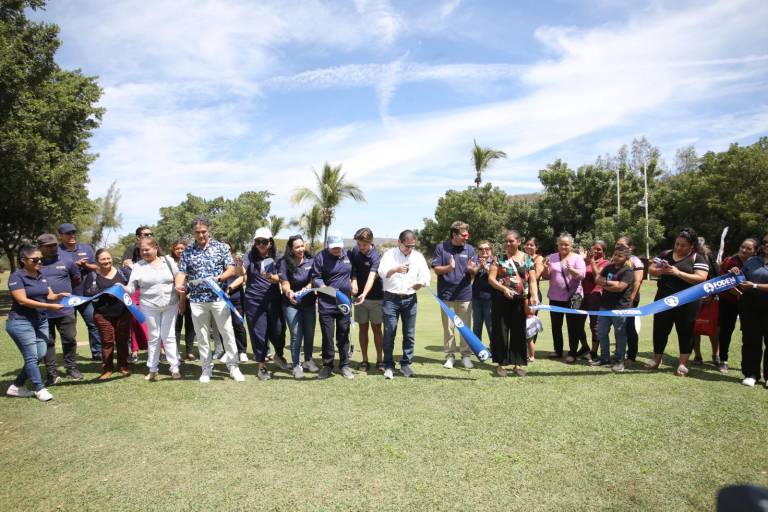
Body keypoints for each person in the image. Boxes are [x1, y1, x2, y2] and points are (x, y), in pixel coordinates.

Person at [175, 216, 245, 383]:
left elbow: (231, 268)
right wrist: (179, 285)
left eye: (204, 231)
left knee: (227, 332)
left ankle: (233, 366)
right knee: (202, 336)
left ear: (209, 230)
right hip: (197, 300)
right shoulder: (188, 251)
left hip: (218, 298)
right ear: (193, 232)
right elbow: (182, 273)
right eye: (197, 232)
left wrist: (219, 279)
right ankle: (206, 368)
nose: (201, 235)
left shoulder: (220, 247)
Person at [5, 245, 69, 401]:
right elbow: (22, 301)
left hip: (40, 321)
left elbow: (50, 295)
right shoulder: (16, 276)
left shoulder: (41, 275)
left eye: (41, 259)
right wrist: (50, 307)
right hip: (21, 322)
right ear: (23, 260)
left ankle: (17, 386)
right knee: (31, 356)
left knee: (40, 354)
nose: (39, 261)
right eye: (35, 259)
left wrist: (59, 295)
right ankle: (39, 388)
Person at [646, 228, 709, 376]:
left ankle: (683, 364)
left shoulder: (698, 258)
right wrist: (660, 271)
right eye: (677, 244)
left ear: (692, 246)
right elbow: (651, 269)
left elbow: (701, 278)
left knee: (685, 331)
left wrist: (677, 272)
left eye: (683, 245)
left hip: (687, 301)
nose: (679, 247)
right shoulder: (666, 254)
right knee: (660, 329)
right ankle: (656, 359)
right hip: (663, 298)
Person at [124, 237, 182, 381]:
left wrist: (180, 288)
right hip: (149, 306)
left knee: (168, 336)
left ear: (156, 248)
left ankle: (174, 368)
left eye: (147, 249)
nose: (144, 252)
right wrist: (122, 288)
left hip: (171, 304)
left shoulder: (168, 261)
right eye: (142, 250)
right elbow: (131, 288)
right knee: (154, 337)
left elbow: (179, 275)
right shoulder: (138, 267)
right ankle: (153, 369)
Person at [378, 230, 431, 379]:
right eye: (407, 246)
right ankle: (388, 365)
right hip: (390, 299)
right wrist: (395, 269)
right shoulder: (389, 254)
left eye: (412, 246)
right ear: (399, 242)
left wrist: (421, 283)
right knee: (389, 332)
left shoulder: (418, 257)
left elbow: (426, 275)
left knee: (409, 333)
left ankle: (406, 364)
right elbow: (382, 272)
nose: (410, 249)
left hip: (410, 299)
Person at [487, 230, 539, 377]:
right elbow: (491, 279)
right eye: (506, 241)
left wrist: (534, 295)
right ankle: (501, 364)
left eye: (511, 241)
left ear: (519, 242)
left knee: (519, 331)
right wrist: (503, 289)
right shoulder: (499, 258)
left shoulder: (528, 259)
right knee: (501, 331)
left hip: (521, 300)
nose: (508, 244)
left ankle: (518, 364)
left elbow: (533, 280)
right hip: (501, 299)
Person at [38, 233, 83, 384]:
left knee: (70, 339)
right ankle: (51, 373)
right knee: (48, 342)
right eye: (49, 246)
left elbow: (76, 280)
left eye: (54, 245)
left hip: (65, 309)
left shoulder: (68, 261)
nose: (53, 248)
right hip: (43, 310)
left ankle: (71, 368)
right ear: (40, 247)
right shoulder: (35, 264)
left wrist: (67, 299)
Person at [432, 221, 478, 369]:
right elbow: (437, 270)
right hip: (446, 295)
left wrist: (472, 270)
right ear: (454, 234)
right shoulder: (441, 248)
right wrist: (449, 267)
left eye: (467, 234)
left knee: (464, 327)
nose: (466, 237)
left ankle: (466, 356)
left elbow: (475, 271)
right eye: (464, 235)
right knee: (449, 328)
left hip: (465, 294)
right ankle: (450, 356)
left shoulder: (470, 249)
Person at [240, 227, 284, 381]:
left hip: (273, 299)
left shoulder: (277, 256)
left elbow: (283, 278)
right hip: (253, 301)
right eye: (258, 241)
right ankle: (262, 366)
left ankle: (279, 355)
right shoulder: (249, 255)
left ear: (270, 242)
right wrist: (239, 267)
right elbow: (242, 271)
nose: (261, 245)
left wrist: (272, 277)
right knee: (259, 334)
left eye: (264, 241)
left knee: (278, 331)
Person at [83, 248, 132, 380]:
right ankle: (107, 369)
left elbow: (132, 288)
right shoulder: (93, 275)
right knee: (107, 341)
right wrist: (106, 290)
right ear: (97, 262)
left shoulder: (122, 272)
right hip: (102, 314)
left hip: (123, 312)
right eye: (103, 259)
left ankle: (123, 366)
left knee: (122, 340)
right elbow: (87, 293)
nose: (106, 261)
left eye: (108, 258)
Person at [312, 232, 355, 379]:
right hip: (326, 304)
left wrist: (354, 283)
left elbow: (353, 273)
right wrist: (325, 287)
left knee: (343, 335)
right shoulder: (320, 257)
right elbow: (316, 277)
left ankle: (344, 365)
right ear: (328, 246)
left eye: (339, 247)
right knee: (328, 337)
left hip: (344, 304)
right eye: (334, 248)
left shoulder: (348, 255)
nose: (337, 250)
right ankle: (327, 366)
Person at [57, 223, 101, 360]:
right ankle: (70, 358)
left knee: (93, 324)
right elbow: (52, 269)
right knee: (68, 330)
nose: (72, 236)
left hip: (85, 295)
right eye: (68, 233)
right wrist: (71, 267)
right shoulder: (57, 251)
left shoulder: (86, 248)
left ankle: (97, 354)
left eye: (73, 232)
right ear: (61, 236)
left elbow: (96, 266)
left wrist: (85, 265)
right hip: (67, 297)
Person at [541, 233, 587, 363]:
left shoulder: (577, 258)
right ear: (558, 245)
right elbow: (546, 276)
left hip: (573, 298)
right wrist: (545, 268)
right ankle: (558, 350)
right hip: (555, 297)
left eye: (566, 244)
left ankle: (573, 353)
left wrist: (571, 269)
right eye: (561, 244)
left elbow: (582, 275)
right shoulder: (552, 257)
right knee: (556, 326)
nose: (564, 246)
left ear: (571, 245)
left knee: (573, 327)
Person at [590, 246, 635, 372]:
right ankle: (605, 358)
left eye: (619, 256)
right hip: (604, 306)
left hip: (620, 308)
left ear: (626, 258)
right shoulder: (608, 267)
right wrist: (611, 283)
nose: (616, 257)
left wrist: (606, 284)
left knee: (620, 335)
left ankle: (619, 361)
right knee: (602, 332)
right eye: (615, 254)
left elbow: (621, 287)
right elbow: (597, 279)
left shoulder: (628, 272)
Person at [278, 235, 318, 379]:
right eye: (297, 247)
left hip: (309, 303)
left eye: (302, 245)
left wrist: (304, 290)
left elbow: (313, 281)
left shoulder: (311, 260)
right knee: (296, 334)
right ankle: (296, 365)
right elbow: (284, 282)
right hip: (290, 304)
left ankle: (308, 360)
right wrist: (289, 293)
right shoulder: (283, 262)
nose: (301, 249)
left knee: (309, 333)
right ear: (291, 249)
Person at [717, 238, 758, 373]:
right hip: (728, 301)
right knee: (726, 330)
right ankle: (723, 360)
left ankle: (748, 365)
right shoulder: (730, 261)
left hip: (751, 302)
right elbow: (721, 281)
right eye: (742, 247)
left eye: (748, 248)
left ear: (755, 251)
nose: (744, 250)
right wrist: (735, 288)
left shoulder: (758, 263)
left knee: (750, 333)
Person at [349, 227, 384, 372]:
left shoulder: (377, 256)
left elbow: (372, 276)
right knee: (363, 328)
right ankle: (364, 360)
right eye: (359, 244)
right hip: (359, 299)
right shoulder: (355, 251)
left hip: (376, 298)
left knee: (376, 329)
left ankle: (380, 360)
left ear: (371, 242)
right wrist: (354, 281)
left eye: (364, 245)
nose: (361, 247)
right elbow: (353, 270)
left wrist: (364, 293)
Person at [736, 232, 768, 388]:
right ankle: (751, 374)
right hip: (750, 307)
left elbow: (751, 284)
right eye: (765, 242)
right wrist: (736, 275)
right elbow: (742, 278)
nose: (767, 245)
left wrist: (754, 286)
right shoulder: (752, 261)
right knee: (751, 341)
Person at [123, 226, 153, 363]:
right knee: (136, 320)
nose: (148, 236)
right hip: (136, 289)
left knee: (155, 322)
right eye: (145, 234)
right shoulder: (132, 248)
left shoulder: (155, 246)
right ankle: (134, 351)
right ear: (138, 237)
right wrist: (139, 269)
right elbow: (126, 262)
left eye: (150, 234)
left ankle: (162, 351)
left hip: (153, 290)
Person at [615, 236, 645, 366]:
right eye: (617, 244)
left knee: (629, 326)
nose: (618, 247)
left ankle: (631, 356)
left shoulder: (635, 261)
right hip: (616, 299)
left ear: (631, 247)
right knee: (618, 327)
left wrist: (632, 298)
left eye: (622, 245)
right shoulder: (615, 258)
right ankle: (618, 354)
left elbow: (637, 281)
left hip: (629, 299)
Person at [691, 238, 720, 366]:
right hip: (692, 298)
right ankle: (697, 356)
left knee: (713, 329)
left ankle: (716, 355)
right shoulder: (689, 257)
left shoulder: (709, 257)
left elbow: (717, 276)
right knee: (694, 329)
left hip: (710, 297)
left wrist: (712, 295)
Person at [581, 241, 609, 361]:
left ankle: (593, 351)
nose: (596, 251)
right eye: (594, 248)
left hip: (596, 295)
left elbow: (597, 277)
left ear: (604, 251)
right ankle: (585, 347)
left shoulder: (606, 263)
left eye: (599, 249)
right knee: (577, 323)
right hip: (581, 295)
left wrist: (592, 261)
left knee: (594, 325)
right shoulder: (583, 261)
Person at [222, 240, 249, 363]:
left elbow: (242, 277)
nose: (225, 251)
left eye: (227, 249)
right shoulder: (216, 262)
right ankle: (228, 351)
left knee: (238, 324)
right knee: (224, 326)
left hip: (236, 296)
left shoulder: (236, 261)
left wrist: (230, 288)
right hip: (220, 297)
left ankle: (242, 351)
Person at [171, 240, 196, 360]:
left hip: (191, 297)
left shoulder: (192, 261)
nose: (180, 251)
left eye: (182, 248)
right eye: (177, 248)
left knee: (190, 325)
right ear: (173, 250)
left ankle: (189, 351)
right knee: (176, 325)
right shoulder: (170, 263)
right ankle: (176, 352)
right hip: (175, 298)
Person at [523, 237, 545, 361]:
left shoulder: (539, 258)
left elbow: (535, 276)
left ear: (537, 247)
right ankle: (522, 349)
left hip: (533, 294)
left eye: (532, 245)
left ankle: (531, 352)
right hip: (522, 293)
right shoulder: (522, 257)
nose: (529, 247)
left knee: (531, 323)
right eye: (528, 245)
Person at [471, 240, 494, 344]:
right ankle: (477, 347)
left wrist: (485, 266)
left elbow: (495, 276)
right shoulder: (474, 260)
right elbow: (472, 274)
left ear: (491, 250)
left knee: (491, 325)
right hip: (476, 298)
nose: (484, 251)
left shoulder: (495, 260)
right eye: (481, 249)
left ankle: (494, 348)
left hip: (491, 298)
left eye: (486, 249)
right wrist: (480, 265)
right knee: (477, 325)